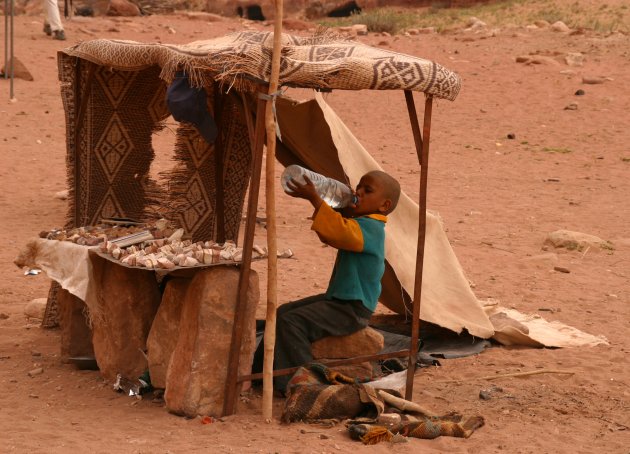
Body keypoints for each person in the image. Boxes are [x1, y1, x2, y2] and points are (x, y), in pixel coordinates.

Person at [252, 170, 401, 394]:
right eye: (358, 187)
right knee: (283, 312)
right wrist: (330, 205)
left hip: (351, 308)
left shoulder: (371, 230)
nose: (358, 192)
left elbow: (339, 232)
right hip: (340, 301)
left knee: (292, 322)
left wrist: (315, 198)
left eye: (367, 191)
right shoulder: (361, 224)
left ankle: (303, 384)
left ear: (383, 205)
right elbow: (330, 234)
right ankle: (261, 374)